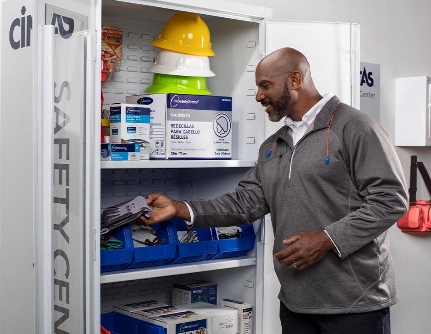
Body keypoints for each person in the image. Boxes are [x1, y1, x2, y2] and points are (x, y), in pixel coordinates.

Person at [139, 47, 408, 334]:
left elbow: (390, 200)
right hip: (295, 302)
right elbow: (245, 203)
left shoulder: (356, 127)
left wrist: (326, 239)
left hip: (355, 302)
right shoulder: (273, 145)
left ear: (294, 80)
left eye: (265, 85)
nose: (258, 96)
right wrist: (180, 208)